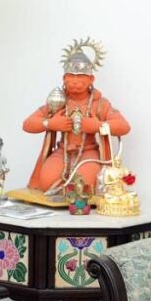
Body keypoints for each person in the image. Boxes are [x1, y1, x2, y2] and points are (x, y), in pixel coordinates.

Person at [23, 38, 130, 195]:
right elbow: (27, 124)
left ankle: (74, 195)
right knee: (46, 182)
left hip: (88, 153)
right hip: (62, 152)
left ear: (91, 80)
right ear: (64, 79)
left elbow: (124, 126)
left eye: (80, 77)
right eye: (71, 77)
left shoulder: (99, 103)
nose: (75, 82)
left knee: (84, 188)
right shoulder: (58, 101)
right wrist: (50, 123)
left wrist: (98, 126)